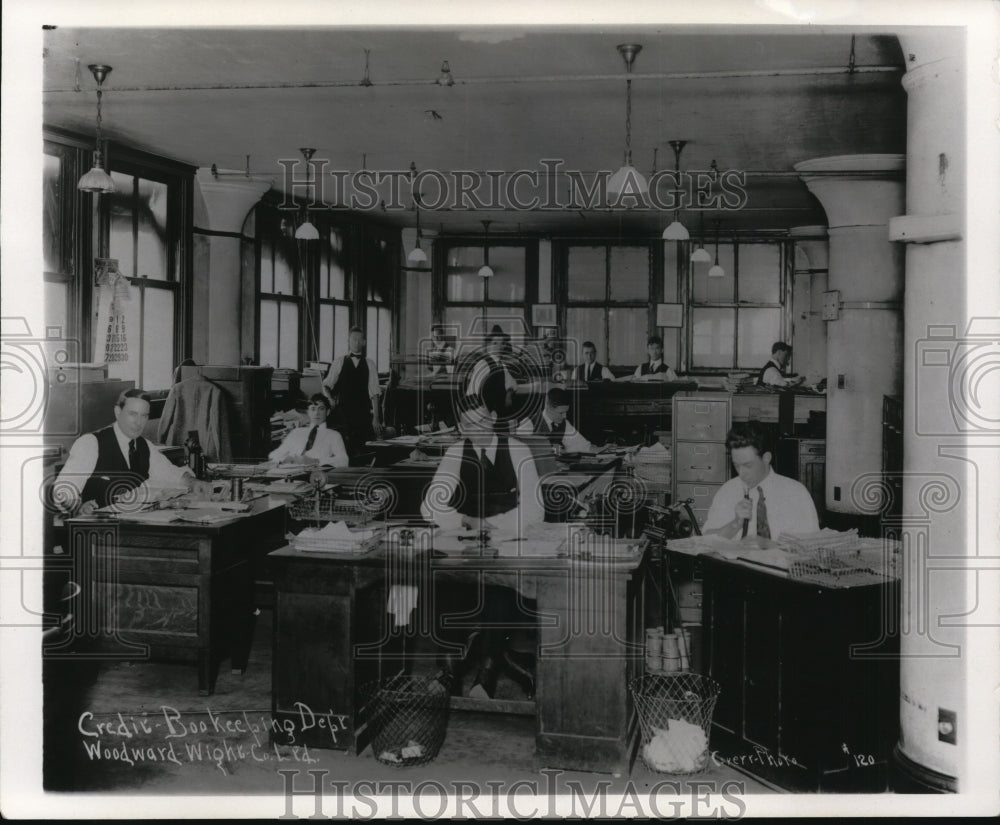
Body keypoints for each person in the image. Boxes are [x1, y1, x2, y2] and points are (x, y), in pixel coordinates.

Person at [421, 392, 543, 698]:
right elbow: (429, 507)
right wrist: (465, 521)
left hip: (509, 542)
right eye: (466, 422)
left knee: (500, 589)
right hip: (466, 543)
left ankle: (486, 676)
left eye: (479, 419)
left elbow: (535, 509)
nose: (473, 428)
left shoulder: (518, 450)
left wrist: (494, 525)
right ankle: (449, 670)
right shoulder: (454, 453)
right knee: (445, 584)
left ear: (491, 417)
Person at [54, 389, 214, 514]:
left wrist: (194, 483)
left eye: (144, 416)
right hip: (97, 532)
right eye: (133, 414)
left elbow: (169, 473)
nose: (139, 422)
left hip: (132, 526)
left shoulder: (144, 445)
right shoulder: (91, 443)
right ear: (118, 412)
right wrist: (78, 507)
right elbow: (62, 491)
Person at [702, 422, 819, 540]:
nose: (741, 474)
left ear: (766, 458)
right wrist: (735, 524)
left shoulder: (796, 493)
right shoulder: (728, 491)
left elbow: (811, 547)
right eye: (736, 465)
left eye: (748, 465)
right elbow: (706, 541)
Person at [323, 326, 382, 455]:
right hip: (342, 415)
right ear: (348, 341)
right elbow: (326, 385)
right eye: (354, 339)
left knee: (363, 451)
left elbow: (375, 393)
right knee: (344, 450)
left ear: (364, 342)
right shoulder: (339, 362)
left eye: (360, 339)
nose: (357, 342)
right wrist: (330, 398)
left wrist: (376, 418)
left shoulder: (370, 364)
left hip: (363, 415)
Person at [268, 394, 348, 467]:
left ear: (328, 412)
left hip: (315, 476)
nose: (317, 413)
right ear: (308, 412)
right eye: (313, 409)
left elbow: (344, 461)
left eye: (321, 409)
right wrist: (284, 458)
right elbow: (273, 455)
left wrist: (316, 461)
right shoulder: (296, 432)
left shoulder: (334, 435)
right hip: (291, 474)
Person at [516, 387, 593, 453]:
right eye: (561, 413)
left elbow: (582, 445)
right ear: (548, 407)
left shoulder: (563, 423)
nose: (564, 416)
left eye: (566, 412)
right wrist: (557, 450)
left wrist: (598, 450)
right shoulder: (529, 423)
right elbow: (519, 451)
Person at [465, 325, 516, 411]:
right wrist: (485, 415)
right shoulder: (483, 364)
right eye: (495, 343)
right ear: (489, 345)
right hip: (485, 414)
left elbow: (512, 384)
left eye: (502, 343)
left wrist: (508, 395)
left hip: (499, 410)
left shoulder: (501, 364)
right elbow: (472, 394)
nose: (499, 347)